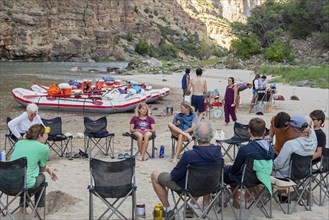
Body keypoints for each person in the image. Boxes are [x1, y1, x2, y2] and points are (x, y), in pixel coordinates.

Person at [151, 121, 223, 219]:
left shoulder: (190, 155)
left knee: (155, 175)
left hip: (191, 188)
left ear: (196, 137)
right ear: (212, 136)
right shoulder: (219, 153)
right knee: (201, 175)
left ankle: (167, 210)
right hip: (211, 186)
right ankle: (191, 205)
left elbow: (175, 176)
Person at [224, 117, 274, 208]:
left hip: (246, 180)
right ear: (264, 132)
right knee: (251, 170)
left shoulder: (246, 149)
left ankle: (235, 200)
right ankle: (255, 196)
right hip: (262, 178)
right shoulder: (270, 148)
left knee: (227, 172)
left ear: (249, 131)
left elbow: (235, 169)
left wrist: (227, 168)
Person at [10, 124, 58, 215]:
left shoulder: (19, 143)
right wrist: (48, 168)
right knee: (41, 177)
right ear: (40, 135)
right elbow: (42, 169)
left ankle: (22, 209)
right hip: (23, 185)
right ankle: (39, 210)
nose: (47, 136)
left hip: (7, 184)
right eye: (45, 134)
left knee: (24, 175)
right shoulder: (43, 148)